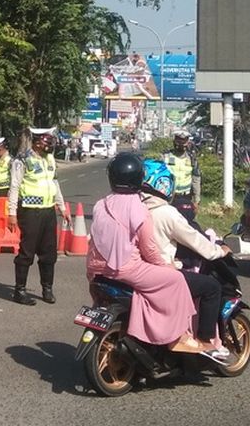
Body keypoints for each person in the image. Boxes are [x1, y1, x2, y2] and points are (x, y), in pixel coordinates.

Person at [87, 153, 205, 354]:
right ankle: (180, 336)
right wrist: (165, 265)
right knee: (176, 280)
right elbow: (149, 249)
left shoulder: (101, 204)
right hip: (127, 269)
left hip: (96, 268)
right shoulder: (139, 208)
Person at [139, 159, 231, 362]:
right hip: (160, 273)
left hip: (131, 270)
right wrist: (219, 251)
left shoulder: (131, 207)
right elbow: (196, 240)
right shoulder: (167, 213)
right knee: (212, 287)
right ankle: (207, 341)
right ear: (163, 184)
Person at [8, 127, 69, 305]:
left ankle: (47, 289)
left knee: (49, 252)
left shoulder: (49, 159)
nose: (50, 144)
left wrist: (62, 207)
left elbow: (54, 183)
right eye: (46, 140)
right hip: (30, 211)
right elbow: (14, 187)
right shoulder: (22, 160)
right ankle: (19, 291)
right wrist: (12, 213)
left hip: (48, 210)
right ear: (36, 141)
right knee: (27, 252)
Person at [163, 132, 199, 211]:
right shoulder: (166, 156)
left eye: (183, 142)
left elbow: (196, 178)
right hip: (169, 196)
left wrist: (197, 200)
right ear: (174, 141)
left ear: (187, 143)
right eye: (178, 141)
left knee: (185, 219)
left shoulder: (191, 158)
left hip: (185, 196)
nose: (181, 144)